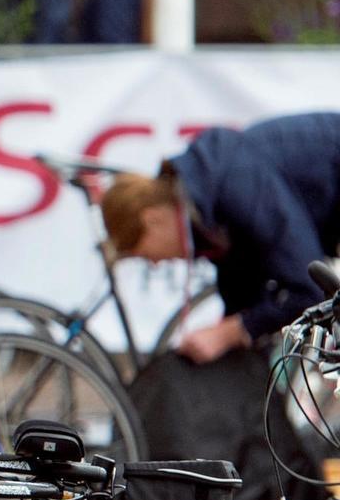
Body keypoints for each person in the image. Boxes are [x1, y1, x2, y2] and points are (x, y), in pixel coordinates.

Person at [101, 112, 340, 363]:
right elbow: (242, 290)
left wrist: (230, 332)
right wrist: (229, 332)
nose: (155, 263)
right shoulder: (206, 204)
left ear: (152, 219)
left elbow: (309, 288)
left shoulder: (236, 187)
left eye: (145, 254)